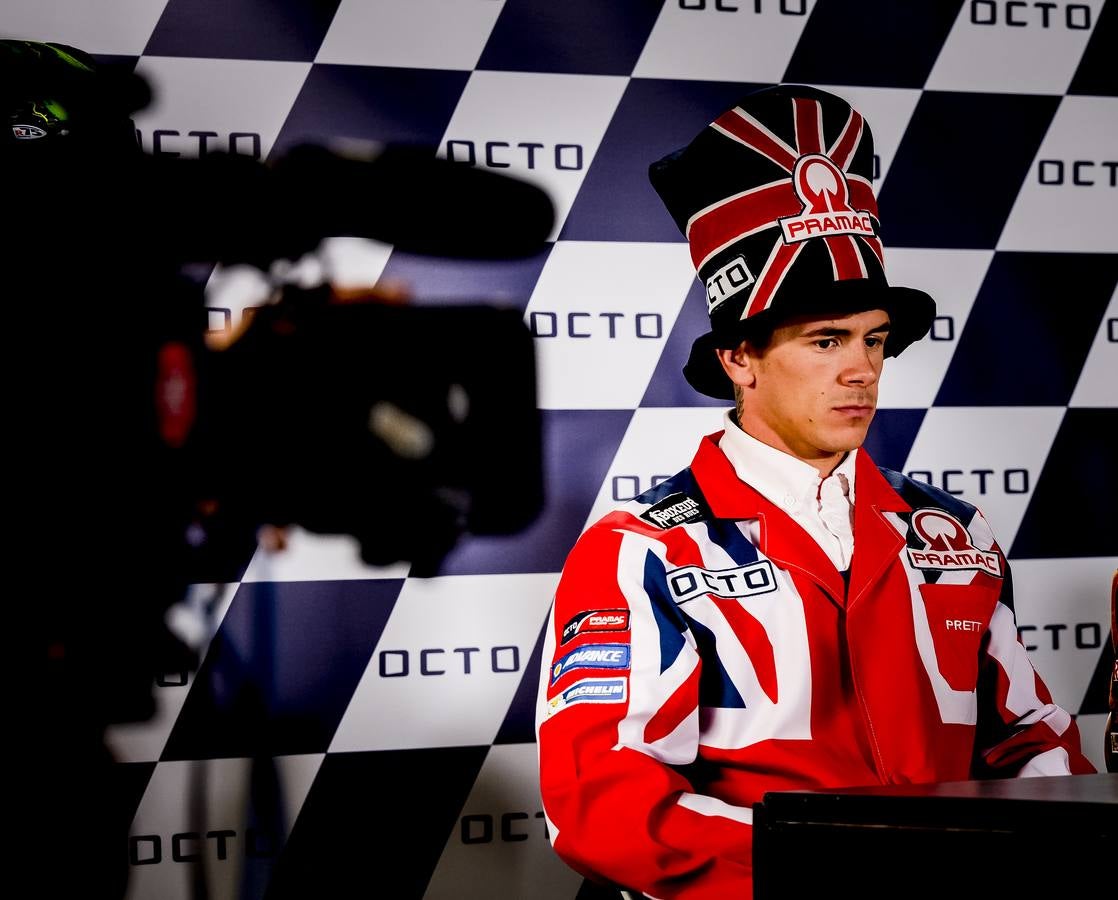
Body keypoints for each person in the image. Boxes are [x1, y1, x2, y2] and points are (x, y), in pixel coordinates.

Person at [534, 84, 1095, 900]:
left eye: (873, 340)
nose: (861, 368)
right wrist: (847, 867)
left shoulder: (954, 531)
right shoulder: (642, 549)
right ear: (739, 358)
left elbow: (1031, 745)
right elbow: (603, 805)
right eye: (825, 340)